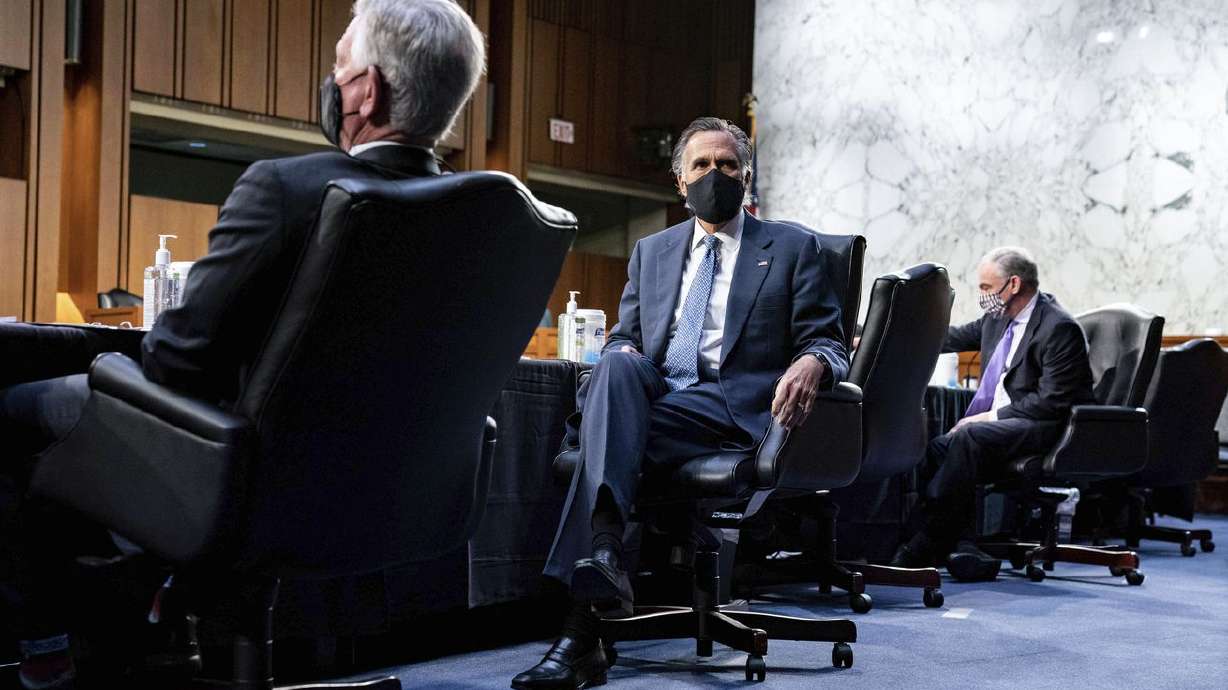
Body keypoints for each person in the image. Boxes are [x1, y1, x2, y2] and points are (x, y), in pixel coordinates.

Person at [0, 1, 485, 687]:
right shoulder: (480, 218)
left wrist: (109, 366)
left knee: (17, 406)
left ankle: (48, 644)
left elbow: (174, 361)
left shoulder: (285, 188)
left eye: (339, 65)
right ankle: (163, 621)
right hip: (399, 501)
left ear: (368, 90)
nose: (332, 78)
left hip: (246, 483)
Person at [512, 117, 849, 690]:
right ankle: (605, 559)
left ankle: (581, 627)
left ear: (745, 176)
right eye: (701, 165)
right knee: (616, 363)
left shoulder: (793, 247)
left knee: (605, 441)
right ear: (679, 182)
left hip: (731, 403)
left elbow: (830, 340)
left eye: (727, 165)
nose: (713, 175)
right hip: (662, 395)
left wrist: (813, 362)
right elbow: (626, 338)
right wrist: (621, 359)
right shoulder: (653, 251)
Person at [890, 247, 1095, 582]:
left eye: (986, 287)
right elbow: (949, 337)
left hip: (1047, 426)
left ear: (1012, 284)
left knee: (969, 436)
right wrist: (885, 333)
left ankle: (927, 541)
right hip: (1011, 423)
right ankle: (959, 542)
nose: (981, 295)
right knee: (938, 447)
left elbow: (1051, 402)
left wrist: (987, 418)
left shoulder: (1059, 327)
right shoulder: (997, 319)